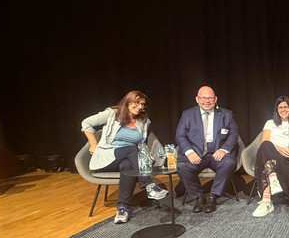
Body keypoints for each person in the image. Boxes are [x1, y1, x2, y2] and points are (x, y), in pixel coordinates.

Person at [81, 90, 169, 224]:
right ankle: (148, 185)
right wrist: (93, 143)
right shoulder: (112, 114)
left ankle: (123, 208)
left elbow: (141, 142)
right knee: (131, 149)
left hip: (129, 158)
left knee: (127, 165)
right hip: (107, 157)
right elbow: (86, 123)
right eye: (136, 103)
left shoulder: (143, 121)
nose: (139, 107)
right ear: (127, 102)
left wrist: (145, 154)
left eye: (142, 104)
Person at [175, 86, 239, 214]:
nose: (207, 101)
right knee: (182, 167)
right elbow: (180, 136)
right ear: (197, 99)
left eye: (210, 98)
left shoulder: (226, 114)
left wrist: (224, 149)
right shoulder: (187, 114)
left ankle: (212, 196)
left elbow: (233, 135)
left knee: (229, 163)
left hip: (217, 153)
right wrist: (189, 152)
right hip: (196, 153)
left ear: (215, 99)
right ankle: (198, 197)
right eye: (203, 98)